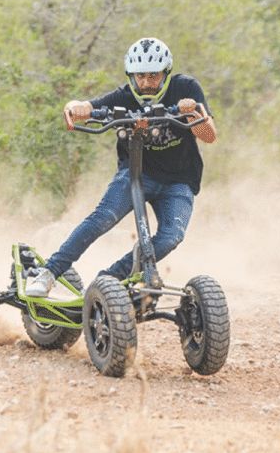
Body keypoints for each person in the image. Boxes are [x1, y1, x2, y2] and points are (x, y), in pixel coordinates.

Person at [25, 37, 217, 297]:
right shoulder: (124, 97)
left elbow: (209, 135)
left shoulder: (186, 88)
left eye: (153, 76)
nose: (146, 83)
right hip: (137, 175)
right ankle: (47, 273)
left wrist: (193, 114)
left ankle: (110, 279)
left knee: (172, 236)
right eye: (140, 77)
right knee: (102, 218)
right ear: (131, 75)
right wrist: (74, 108)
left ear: (166, 73)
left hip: (179, 180)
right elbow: (84, 106)